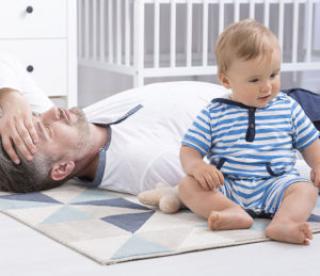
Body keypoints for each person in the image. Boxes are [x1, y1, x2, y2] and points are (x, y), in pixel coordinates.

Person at [177, 19, 320, 245]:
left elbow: (310, 143)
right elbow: (190, 149)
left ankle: (284, 222)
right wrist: (197, 166)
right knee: (187, 186)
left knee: (306, 190)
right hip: (228, 186)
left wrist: (318, 164)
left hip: (277, 184)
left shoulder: (288, 107)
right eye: (254, 80)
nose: (267, 86)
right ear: (226, 80)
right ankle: (232, 212)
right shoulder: (214, 112)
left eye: (273, 75)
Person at [0, 52, 229, 194]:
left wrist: (11, 97)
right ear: (62, 168)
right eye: (47, 129)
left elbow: (6, 59)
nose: (53, 112)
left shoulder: (78, 130)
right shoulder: (144, 162)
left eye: (36, 116)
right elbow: (227, 180)